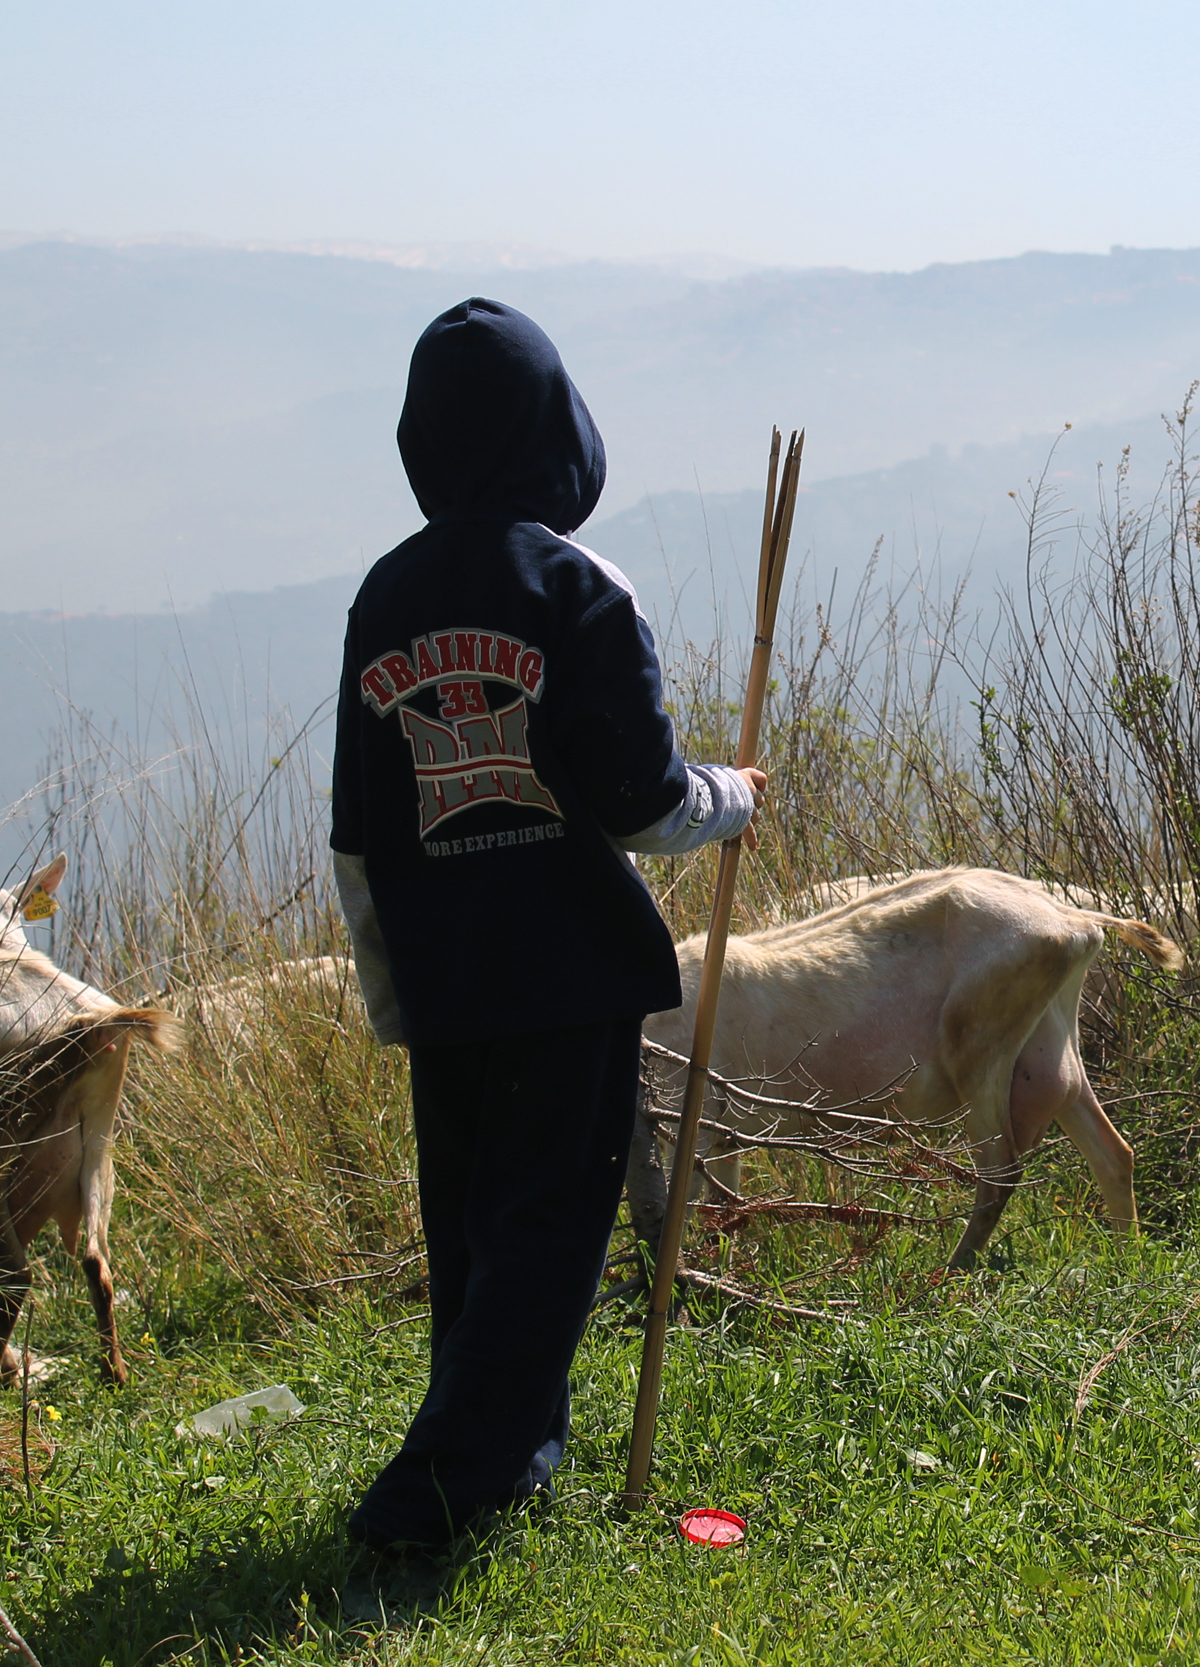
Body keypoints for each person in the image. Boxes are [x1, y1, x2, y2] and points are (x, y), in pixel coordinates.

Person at [330, 297, 761, 1552]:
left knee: (474, 1229)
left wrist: (392, 988)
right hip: (569, 975)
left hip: (446, 977)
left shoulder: (383, 597)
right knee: (547, 1233)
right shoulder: (578, 585)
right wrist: (733, 797)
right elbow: (643, 802)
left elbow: (360, 829)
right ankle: (431, 1495)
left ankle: (509, 1456)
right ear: (556, 429)